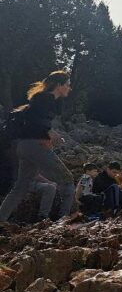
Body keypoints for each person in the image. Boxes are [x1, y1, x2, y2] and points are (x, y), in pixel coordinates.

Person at [0, 71, 75, 225]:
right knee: (67, 180)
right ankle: (63, 222)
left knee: (20, 188)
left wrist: (49, 134)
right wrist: (49, 134)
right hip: (35, 146)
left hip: (24, 146)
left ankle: (0, 220)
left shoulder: (44, 100)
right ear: (59, 85)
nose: (70, 88)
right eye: (67, 84)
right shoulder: (44, 99)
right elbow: (36, 121)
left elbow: (36, 121)